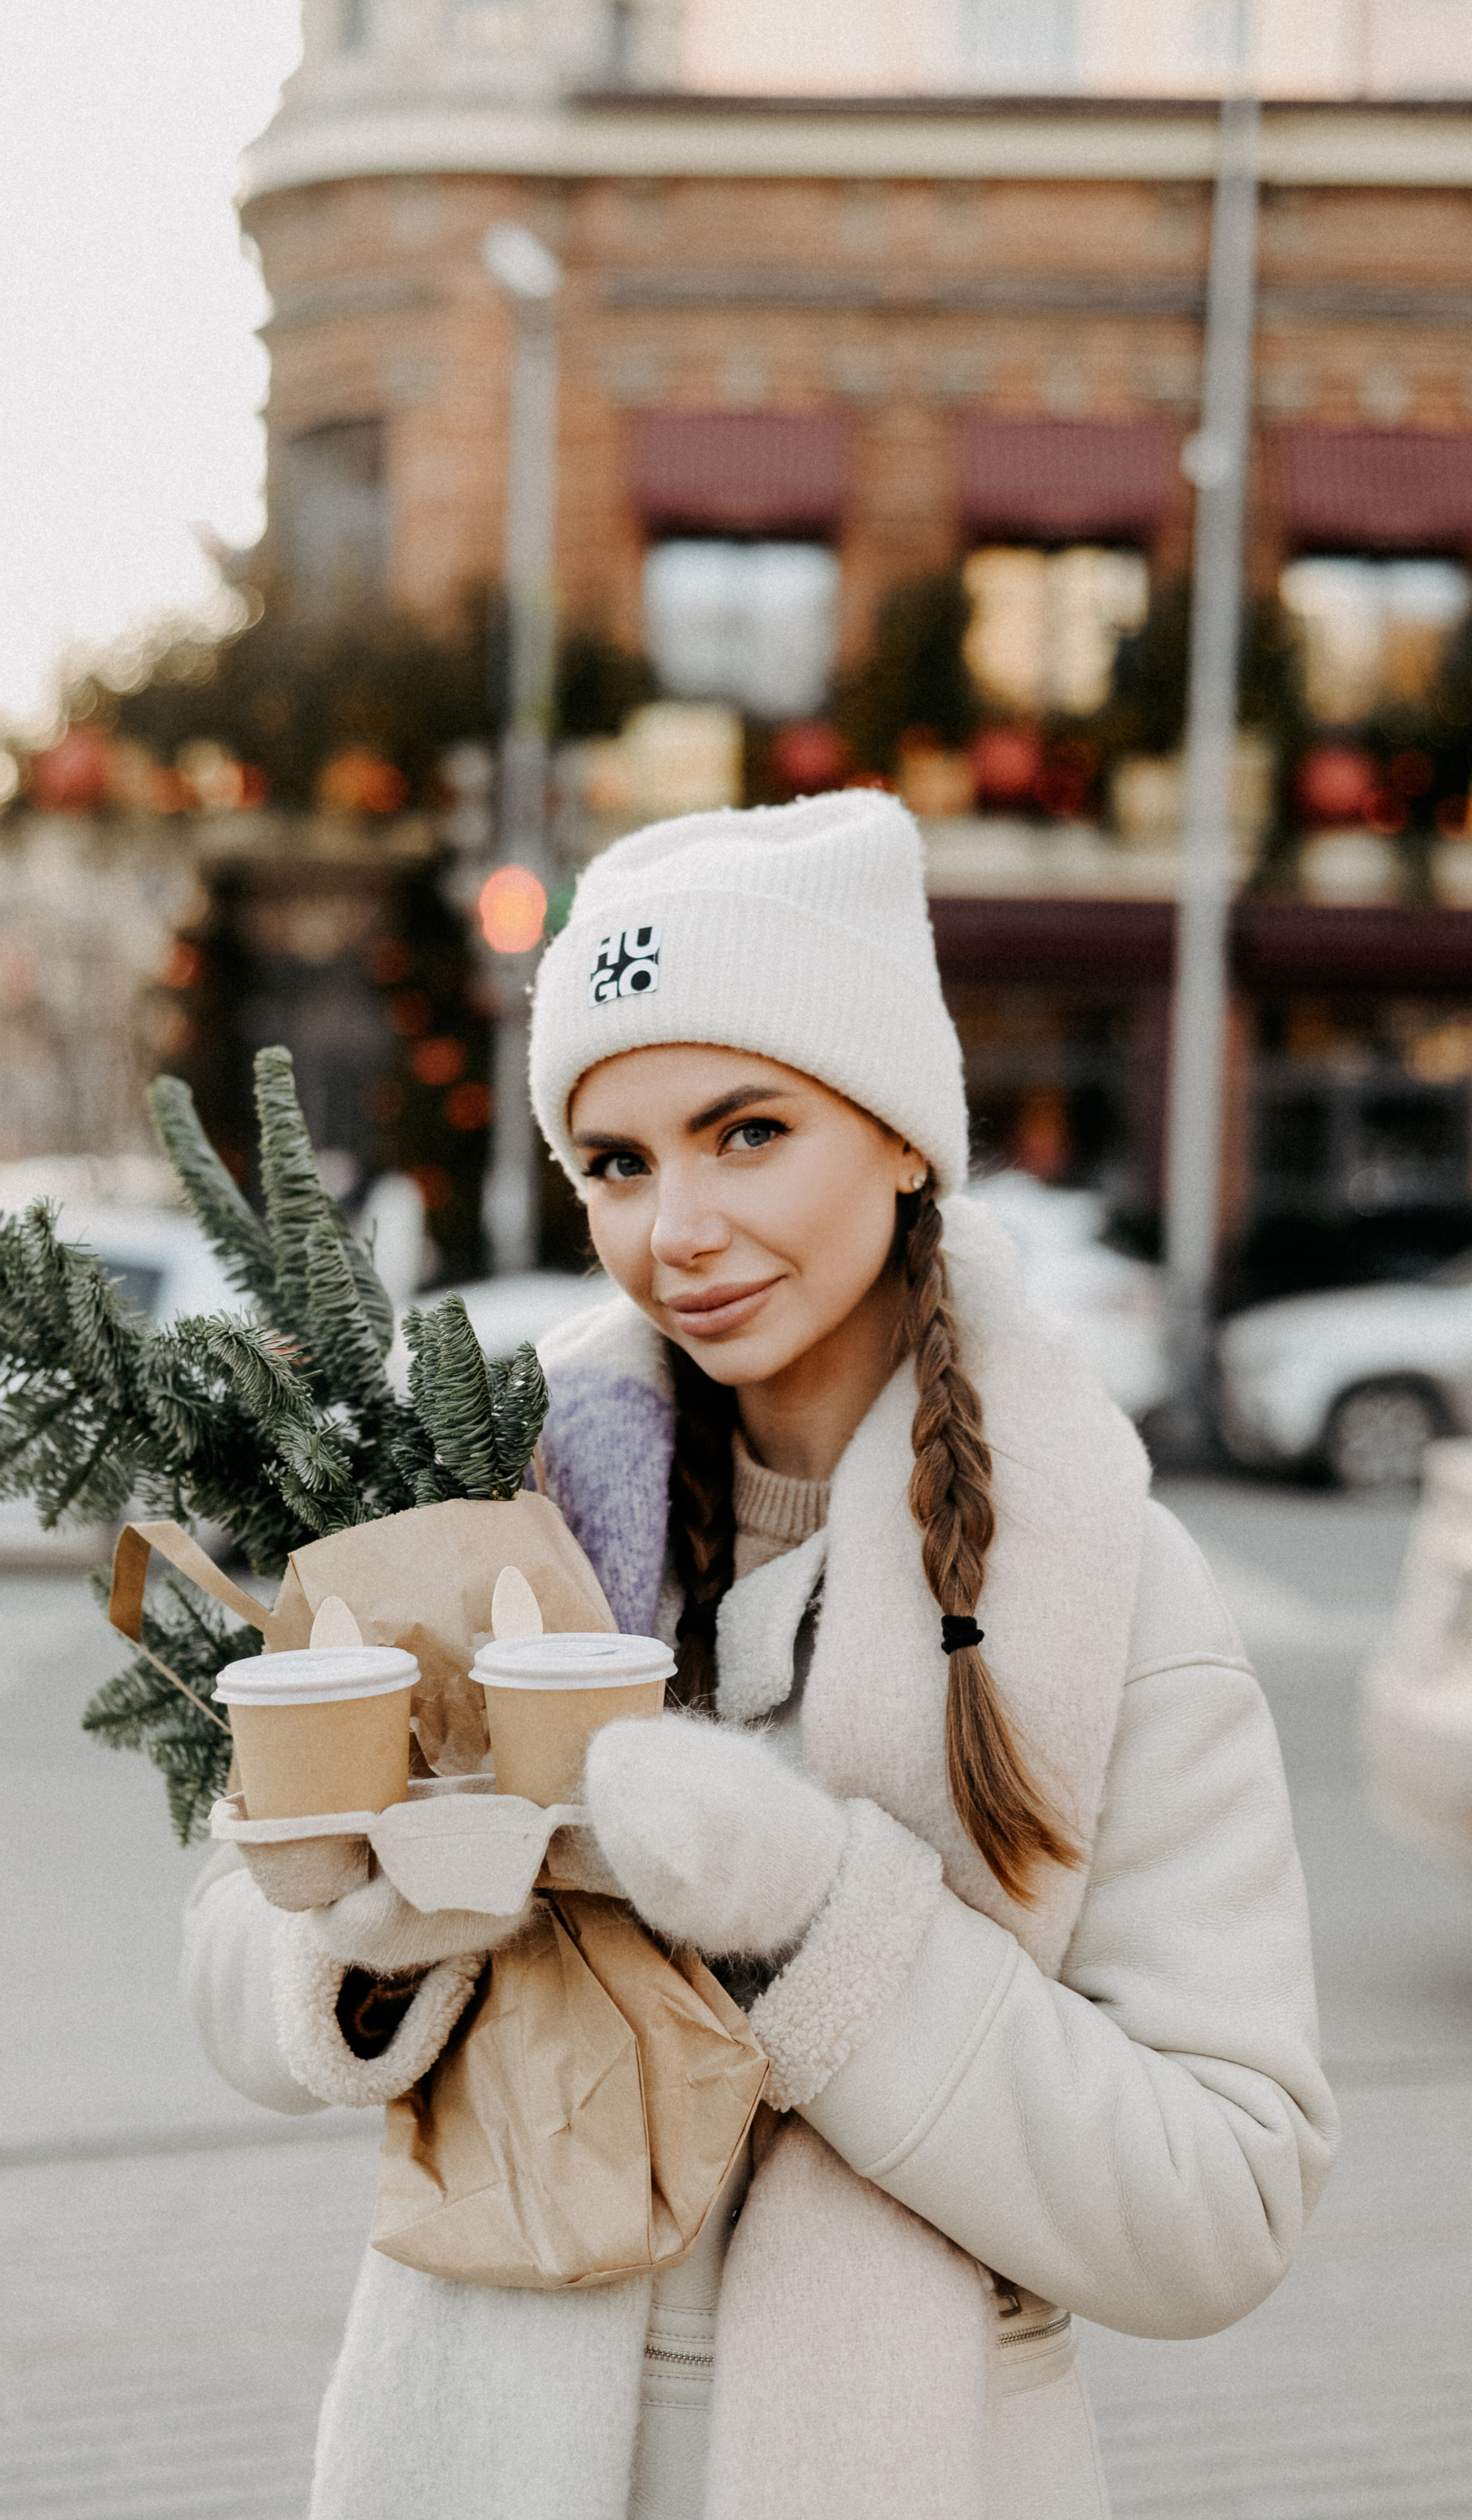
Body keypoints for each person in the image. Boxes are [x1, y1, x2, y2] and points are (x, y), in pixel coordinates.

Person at [183, 791, 1337, 2520]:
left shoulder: (1103, 1580)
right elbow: (226, 1974)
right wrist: (376, 1924)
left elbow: (1222, 2205)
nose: (681, 1231)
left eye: (746, 1130)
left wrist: (817, 1925)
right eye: (621, 1163)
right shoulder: (500, 1506)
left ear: (896, 1134)